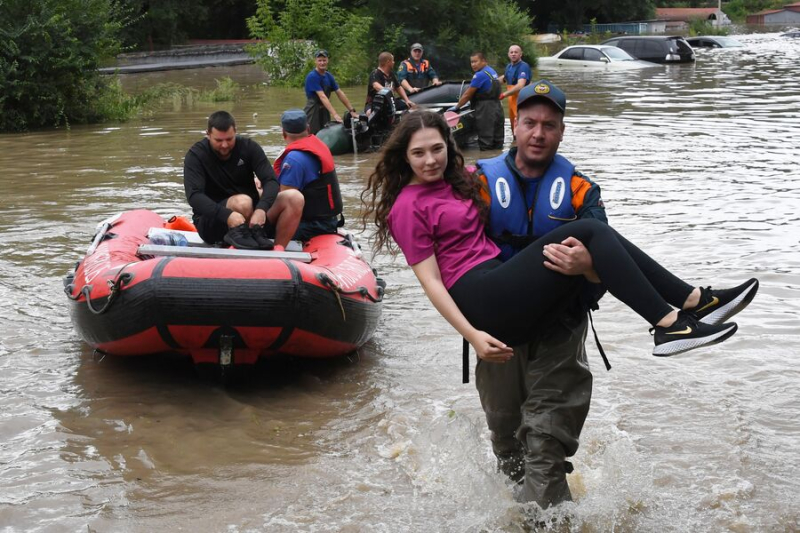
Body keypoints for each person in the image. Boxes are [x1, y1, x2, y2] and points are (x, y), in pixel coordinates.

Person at [360, 109, 759, 500]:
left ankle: (690, 306)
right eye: (418, 153)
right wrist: (473, 336)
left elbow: (510, 171)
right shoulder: (407, 206)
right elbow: (431, 282)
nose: (430, 160)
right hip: (479, 296)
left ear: (448, 147)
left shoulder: (461, 181)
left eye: (437, 149)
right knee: (589, 232)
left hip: (504, 285)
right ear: (404, 157)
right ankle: (679, 316)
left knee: (594, 235)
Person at [472, 79, 604, 507]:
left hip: (559, 330)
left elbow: (612, 260)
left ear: (562, 131)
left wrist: (588, 265)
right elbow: (448, 253)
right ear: (515, 125)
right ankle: (526, 512)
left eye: (549, 124)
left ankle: (548, 522)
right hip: (498, 335)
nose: (538, 133)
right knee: (507, 440)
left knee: (544, 442)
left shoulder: (582, 189)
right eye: (530, 122)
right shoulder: (477, 183)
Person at [184, 110, 303, 250]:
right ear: (208, 134)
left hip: (253, 220)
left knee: (295, 197)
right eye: (218, 140)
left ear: (235, 132)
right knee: (243, 203)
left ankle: (278, 250)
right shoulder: (196, 155)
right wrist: (227, 215)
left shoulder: (249, 147)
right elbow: (194, 196)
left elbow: (270, 180)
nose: (224, 145)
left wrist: (261, 209)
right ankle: (237, 244)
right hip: (213, 220)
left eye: (229, 139)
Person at [272, 109, 344, 241]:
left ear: (283, 133)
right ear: (308, 128)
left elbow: (286, 202)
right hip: (329, 220)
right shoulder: (319, 146)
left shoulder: (294, 160)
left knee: (255, 227)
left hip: (312, 226)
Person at [450, 52, 504, 150]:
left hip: (485, 110)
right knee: (498, 139)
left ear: (483, 61)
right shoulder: (492, 71)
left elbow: (467, 95)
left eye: (475, 61)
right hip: (497, 107)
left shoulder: (479, 75)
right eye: (471, 62)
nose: (473, 64)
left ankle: (485, 160)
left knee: (485, 140)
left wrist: (457, 107)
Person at [303, 50, 359, 134]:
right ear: (315, 61)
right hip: (313, 110)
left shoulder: (329, 76)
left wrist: (351, 110)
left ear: (327, 61)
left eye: (324, 60)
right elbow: (322, 96)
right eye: (320, 60)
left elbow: (340, 93)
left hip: (324, 110)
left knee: (325, 133)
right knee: (311, 134)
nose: (322, 63)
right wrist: (335, 114)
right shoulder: (312, 76)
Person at [498, 44, 531, 138]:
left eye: (516, 52)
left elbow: (520, 85)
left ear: (521, 54)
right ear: (508, 54)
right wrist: (490, 82)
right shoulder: (509, 66)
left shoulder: (523, 67)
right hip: (511, 100)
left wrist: (504, 94)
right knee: (514, 126)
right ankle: (515, 144)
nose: (513, 54)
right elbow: (504, 79)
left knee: (521, 124)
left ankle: (523, 143)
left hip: (521, 99)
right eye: (511, 52)